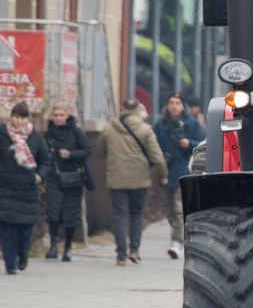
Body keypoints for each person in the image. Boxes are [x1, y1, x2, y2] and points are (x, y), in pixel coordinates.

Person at [95, 98, 167, 266]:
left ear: (122, 109)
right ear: (137, 110)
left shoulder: (109, 129)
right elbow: (157, 156)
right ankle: (134, 249)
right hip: (140, 179)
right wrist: (163, 174)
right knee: (137, 214)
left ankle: (121, 254)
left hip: (116, 179)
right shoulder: (145, 129)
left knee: (120, 215)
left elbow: (99, 152)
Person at [0, 103, 50, 274]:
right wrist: (7, 152)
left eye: (23, 117)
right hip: (5, 188)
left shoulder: (35, 138)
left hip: (28, 190)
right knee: (7, 229)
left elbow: (46, 160)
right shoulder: (2, 134)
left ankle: (23, 255)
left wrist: (40, 176)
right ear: (11, 116)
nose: (19, 121)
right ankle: (10, 263)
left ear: (27, 119)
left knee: (25, 230)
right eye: (16, 116)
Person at [155, 92, 205, 259]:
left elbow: (203, 144)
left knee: (178, 207)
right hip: (166, 171)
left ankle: (177, 242)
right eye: (171, 102)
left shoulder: (192, 124)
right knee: (168, 209)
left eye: (177, 102)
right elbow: (153, 145)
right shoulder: (160, 125)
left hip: (185, 170)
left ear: (183, 106)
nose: (174, 106)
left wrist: (189, 143)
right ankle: (181, 234)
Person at [42, 103, 90, 262]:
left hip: (73, 177)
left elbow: (86, 151)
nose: (58, 118)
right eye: (55, 115)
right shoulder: (48, 134)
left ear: (67, 116)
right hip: (54, 176)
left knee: (70, 213)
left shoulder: (76, 132)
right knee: (53, 212)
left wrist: (70, 154)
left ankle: (68, 247)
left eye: (61, 115)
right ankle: (54, 245)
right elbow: (43, 154)